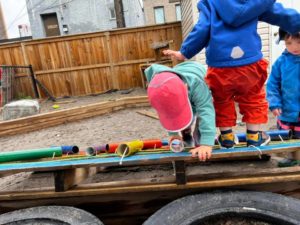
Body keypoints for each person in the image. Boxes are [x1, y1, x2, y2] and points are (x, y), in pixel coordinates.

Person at [163, 0, 300, 148]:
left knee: (222, 100)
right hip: (249, 62)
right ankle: (254, 137)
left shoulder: (210, 3)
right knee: (252, 97)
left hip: (220, 65)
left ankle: (227, 138)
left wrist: (185, 52)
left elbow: (202, 28)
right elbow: (280, 14)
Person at [145, 61, 216, 161]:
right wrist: (173, 135)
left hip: (199, 77)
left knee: (200, 116)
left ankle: (199, 138)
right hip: (179, 82)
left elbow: (206, 111)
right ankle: (186, 134)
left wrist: (206, 144)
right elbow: (167, 114)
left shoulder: (197, 85)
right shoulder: (159, 91)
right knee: (179, 115)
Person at [267, 29, 300, 142]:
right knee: (287, 138)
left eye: (299, 42)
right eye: (289, 43)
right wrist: (274, 103)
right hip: (287, 110)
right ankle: (290, 158)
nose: (294, 47)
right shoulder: (281, 62)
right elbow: (272, 85)